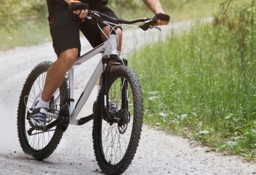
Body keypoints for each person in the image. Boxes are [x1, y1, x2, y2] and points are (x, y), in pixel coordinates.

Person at [29, 0, 170, 128]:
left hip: (94, 5)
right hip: (64, 6)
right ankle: (42, 104)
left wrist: (159, 12)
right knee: (69, 55)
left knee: (115, 35)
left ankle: (103, 99)